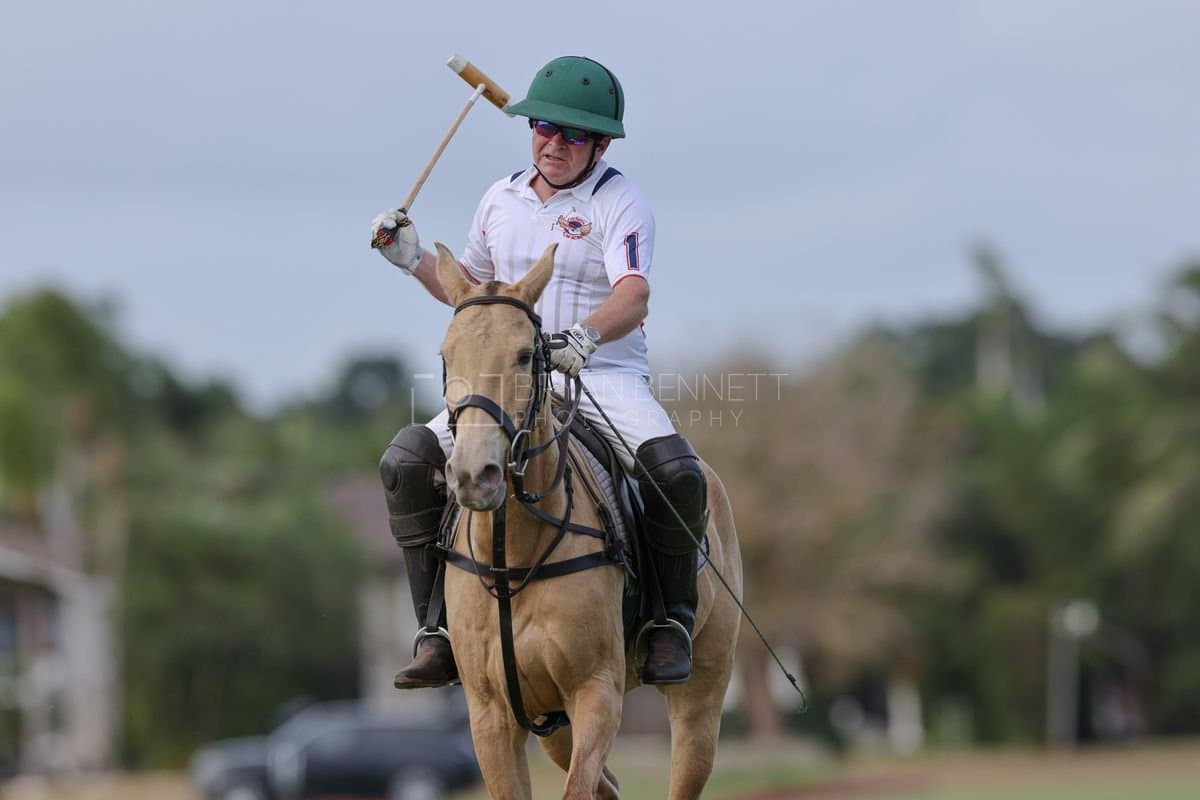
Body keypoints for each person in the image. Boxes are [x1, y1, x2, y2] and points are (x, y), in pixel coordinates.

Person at [370, 56, 706, 689]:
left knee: (676, 470)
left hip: (600, 373)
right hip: (506, 383)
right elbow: (470, 295)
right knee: (406, 461)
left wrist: (583, 337)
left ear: (601, 143)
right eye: (545, 127)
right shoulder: (500, 198)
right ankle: (436, 629)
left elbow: (634, 295)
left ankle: (669, 620)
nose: (555, 144)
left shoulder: (620, 201)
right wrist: (412, 258)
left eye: (574, 135)